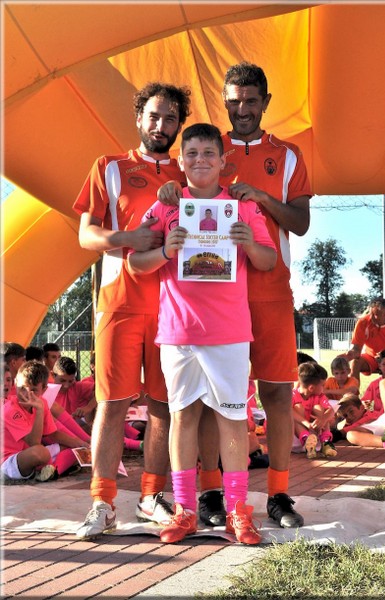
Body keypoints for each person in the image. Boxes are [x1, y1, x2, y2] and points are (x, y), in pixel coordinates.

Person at [157, 62, 312, 527]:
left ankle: (278, 495)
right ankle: (208, 492)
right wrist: (169, 190)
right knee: (208, 403)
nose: (242, 110)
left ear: (265, 102)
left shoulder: (287, 155)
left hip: (268, 289)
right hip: (209, 302)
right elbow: (177, 197)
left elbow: (301, 223)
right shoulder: (208, 147)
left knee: (277, 393)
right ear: (224, 103)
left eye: (250, 101)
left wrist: (261, 198)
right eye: (234, 101)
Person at [73, 82, 223, 540]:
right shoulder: (109, 166)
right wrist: (126, 239)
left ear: (179, 125)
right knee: (112, 404)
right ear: (139, 117)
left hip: (174, 308)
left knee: (165, 405)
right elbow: (85, 234)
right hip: (119, 302)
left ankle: (151, 497)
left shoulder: (189, 170)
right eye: (154, 115)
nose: (161, 125)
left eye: (170, 118)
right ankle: (102, 503)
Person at [128, 122, 277, 544]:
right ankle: (185, 510)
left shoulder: (241, 207)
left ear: (222, 160)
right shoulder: (166, 205)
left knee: (232, 419)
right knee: (183, 418)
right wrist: (165, 250)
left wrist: (249, 244)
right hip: (178, 332)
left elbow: (267, 261)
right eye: (191, 153)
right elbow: (136, 262)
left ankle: (238, 512)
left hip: (229, 332)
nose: (200, 160)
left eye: (209, 153)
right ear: (181, 160)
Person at [1, 360, 87, 483]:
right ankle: (50, 468)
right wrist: (39, 411)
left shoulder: (42, 403)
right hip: (9, 461)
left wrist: (80, 443)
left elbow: (53, 433)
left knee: (74, 448)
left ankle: (52, 470)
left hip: (29, 453)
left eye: (33, 390)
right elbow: (34, 442)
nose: (26, 394)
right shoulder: (10, 409)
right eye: (22, 388)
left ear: (44, 389)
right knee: (40, 452)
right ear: (16, 383)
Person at [341, 297, 385, 381]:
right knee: (354, 363)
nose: (371, 317)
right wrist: (347, 356)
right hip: (371, 357)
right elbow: (356, 349)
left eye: (375, 315)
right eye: (370, 313)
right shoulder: (363, 322)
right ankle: (352, 389)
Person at [292, 362, 337, 459]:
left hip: (314, 432)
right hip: (294, 437)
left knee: (319, 409)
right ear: (311, 388)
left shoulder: (319, 396)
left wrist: (322, 420)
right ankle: (307, 442)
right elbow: (288, 412)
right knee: (297, 407)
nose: (324, 388)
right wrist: (306, 423)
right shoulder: (293, 395)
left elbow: (331, 410)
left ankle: (326, 442)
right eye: (323, 385)